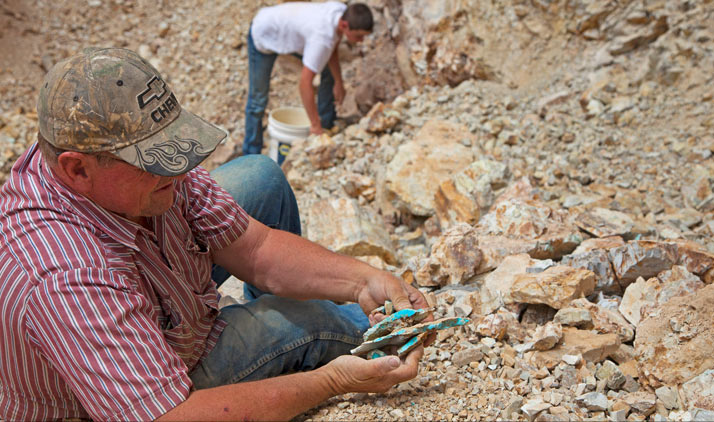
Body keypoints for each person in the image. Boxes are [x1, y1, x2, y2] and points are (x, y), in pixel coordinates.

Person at [0, 47, 430, 421]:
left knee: (262, 178)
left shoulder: (112, 157)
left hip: (157, 303)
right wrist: (328, 382)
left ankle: (274, 341)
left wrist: (362, 279)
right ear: (77, 169)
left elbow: (257, 248)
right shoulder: (65, 276)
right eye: (155, 160)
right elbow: (168, 417)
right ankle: (295, 349)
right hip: (133, 397)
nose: (180, 168)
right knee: (319, 322)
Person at [242, 1, 373, 156]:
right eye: (358, 36)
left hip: (287, 31)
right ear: (344, 25)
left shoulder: (340, 11)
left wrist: (339, 82)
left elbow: (333, 48)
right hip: (263, 34)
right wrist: (314, 126)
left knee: (327, 70)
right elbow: (305, 84)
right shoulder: (322, 38)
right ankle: (250, 153)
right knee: (258, 100)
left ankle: (327, 123)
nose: (361, 41)